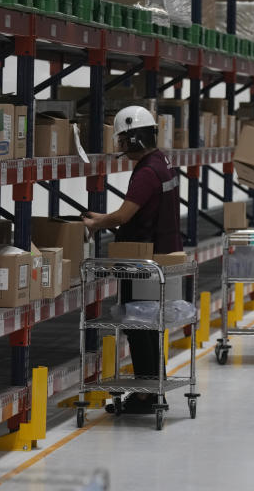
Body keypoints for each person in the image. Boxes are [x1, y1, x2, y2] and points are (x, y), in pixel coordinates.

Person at [83, 105, 182, 414]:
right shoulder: (162, 159)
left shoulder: (146, 172)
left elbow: (126, 214)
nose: (121, 146)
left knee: (138, 326)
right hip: (161, 254)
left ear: (136, 139)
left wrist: (96, 224)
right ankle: (153, 388)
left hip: (143, 258)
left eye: (124, 139)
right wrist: (106, 218)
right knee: (150, 326)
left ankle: (145, 395)